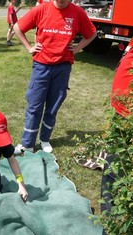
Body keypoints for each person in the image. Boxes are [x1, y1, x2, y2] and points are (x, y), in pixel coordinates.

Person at [13, 0, 97, 154]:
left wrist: (77, 48)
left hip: (63, 67)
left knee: (53, 106)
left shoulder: (78, 12)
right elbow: (17, 27)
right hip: (41, 66)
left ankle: (45, 139)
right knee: (34, 105)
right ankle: (27, 143)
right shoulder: (41, 9)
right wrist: (29, 47)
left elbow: (92, 33)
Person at [101, 37, 133, 235]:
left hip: (128, 120)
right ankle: (109, 222)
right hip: (120, 115)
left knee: (121, 173)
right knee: (112, 169)